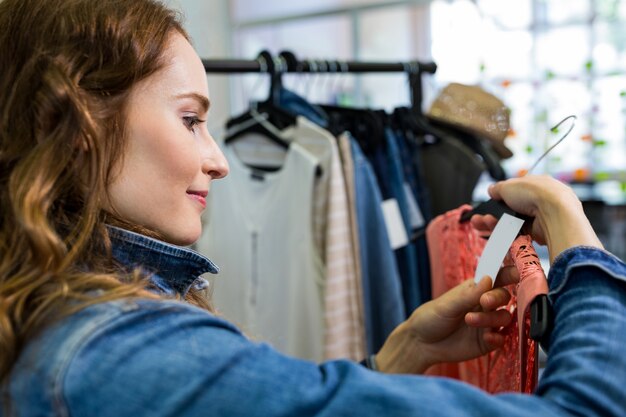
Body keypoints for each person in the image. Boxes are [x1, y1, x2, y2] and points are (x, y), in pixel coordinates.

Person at [0, 0, 624, 416]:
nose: (218, 161)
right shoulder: (120, 354)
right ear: (79, 124)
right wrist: (581, 245)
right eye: (190, 120)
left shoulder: (61, 314)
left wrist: (398, 356)